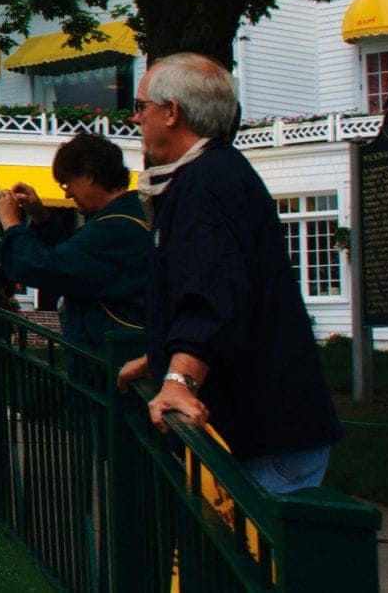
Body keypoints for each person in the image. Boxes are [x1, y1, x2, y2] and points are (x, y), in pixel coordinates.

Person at [115, 53, 341, 494]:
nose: (135, 117)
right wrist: (160, 357)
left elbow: (213, 293)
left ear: (173, 112)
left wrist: (179, 381)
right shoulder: (209, 174)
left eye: (141, 106)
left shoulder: (207, 184)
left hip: (263, 442)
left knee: (244, 563)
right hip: (268, 434)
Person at [0, 134, 149, 350]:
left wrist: (11, 223)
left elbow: (42, 267)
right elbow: (76, 257)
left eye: (67, 184)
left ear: (89, 176)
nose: (67, 195)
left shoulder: (116, 228)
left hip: (114, 358)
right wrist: (41, 217)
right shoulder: (126, 216)